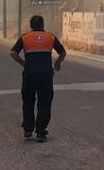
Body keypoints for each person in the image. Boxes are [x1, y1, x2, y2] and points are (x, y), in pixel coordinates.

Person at [9, 15, 66, 143]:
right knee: (44, 103)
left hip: (29, 75)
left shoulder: (25, 37)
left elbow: (13, 53)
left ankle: (28, 130)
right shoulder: (50, 37)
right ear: (43, 24)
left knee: (28, 102)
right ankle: (41, 132)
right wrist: (57, 63)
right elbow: (62, 52)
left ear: (31, 25)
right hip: (45, 76)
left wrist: (23, 63)